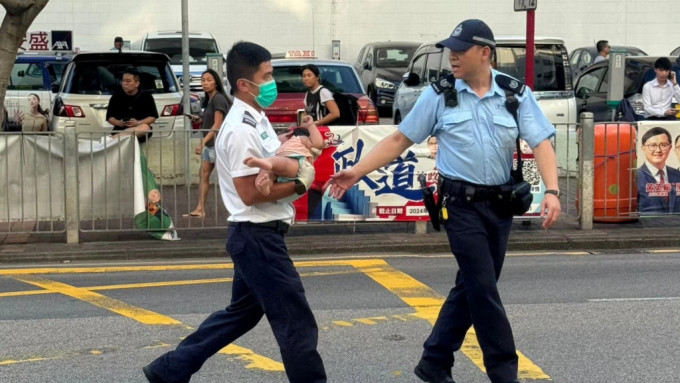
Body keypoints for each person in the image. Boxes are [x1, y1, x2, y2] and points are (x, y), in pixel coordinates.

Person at [327, 19, 561, 383]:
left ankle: (435, 361)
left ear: (485, 53)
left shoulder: (515, 93)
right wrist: (356, 171)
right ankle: (504, 372)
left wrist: (552, 190)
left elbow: (542, 141)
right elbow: (399, 140)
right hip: (460, 205)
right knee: (483, 288)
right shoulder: (440, 94)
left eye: (460, 50)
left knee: (471, 287)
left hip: (500, 207)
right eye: (450, 50)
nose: (451, 57)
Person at [142, 41, 327, 383]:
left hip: (254, 237)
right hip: (258, 238)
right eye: (267, 76)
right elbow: (248, 194)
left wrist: (292, 155)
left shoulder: (256, 118)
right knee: (296, 322)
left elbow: (272, 164)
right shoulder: (241, 128)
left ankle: (170, 369)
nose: (273, 83)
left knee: (241, 314)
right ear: (244, 84)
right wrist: (302, 183)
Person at [183, 69, 231, 218]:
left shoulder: (218, 99)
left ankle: (236, 209)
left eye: (209, 80)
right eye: (203, 80)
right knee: (203, 175)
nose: (205, 83)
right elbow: (211, 121)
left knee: (228, 178)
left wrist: (202, 142)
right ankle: (200, 208)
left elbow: (217, 124)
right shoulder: (209, 100)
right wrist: (199, 120)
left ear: (216, 82)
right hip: (211, 145)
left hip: (218, 145)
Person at [244, 115, 323, 197]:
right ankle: (264, 187)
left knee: (273, 163)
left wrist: (311, 125)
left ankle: (268, 163)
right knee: (268, 173)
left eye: (278, 137)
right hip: (280, 171)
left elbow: (318, 144)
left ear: (289, 134)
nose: (277, 140)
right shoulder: (280, 149)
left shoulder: (301, 139)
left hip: (296, 163)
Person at [106, 68, 158, 143]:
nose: (124, 83)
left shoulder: (146, 96)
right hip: (120, 129)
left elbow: (153, 117)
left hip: (139, 131)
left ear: (137, 83)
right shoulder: (116, 96)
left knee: (145, 127)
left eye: (128, 81)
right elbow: (110, 117)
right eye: (123, 81)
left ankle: (111, 140)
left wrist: (138, 122)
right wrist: (119, 123)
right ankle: (118, 137)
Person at [637, 126, 680, 214]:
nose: (658, 150)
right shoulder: (634, 177)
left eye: (664, 145)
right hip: (648, 227)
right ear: (643, 148)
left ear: (670, 147)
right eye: (652, 145)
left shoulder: (678, 175)